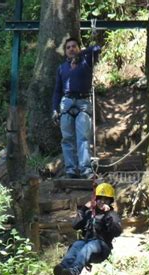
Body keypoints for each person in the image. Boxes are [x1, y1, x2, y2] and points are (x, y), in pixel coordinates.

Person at [52, 37, 101, 179]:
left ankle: (85, 169)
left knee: (83, 137)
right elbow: (57, 90)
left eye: (74, 46)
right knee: (67, 138)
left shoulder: (86, 63)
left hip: (83, 102)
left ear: (79, 48)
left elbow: (97, 48)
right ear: (65, 51)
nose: (71, 49)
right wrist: (54, 109)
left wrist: (81, 54)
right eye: (68, 47)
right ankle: (71, 170)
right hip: (66, 102)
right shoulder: (62, 68)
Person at [54, 183, 122, 275]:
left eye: (105, 199)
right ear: (95, 200)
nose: (102, 202)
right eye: (100, 199)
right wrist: (83, 209)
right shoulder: (90, 214)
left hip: (102, 248)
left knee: (89, 246)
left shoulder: (112, 215)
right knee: (77, 245)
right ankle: (62, 268)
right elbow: (75, 225)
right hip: (87, 242)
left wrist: (107, 215)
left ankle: (75, 271)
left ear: (110, 201)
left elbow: (117, 232)